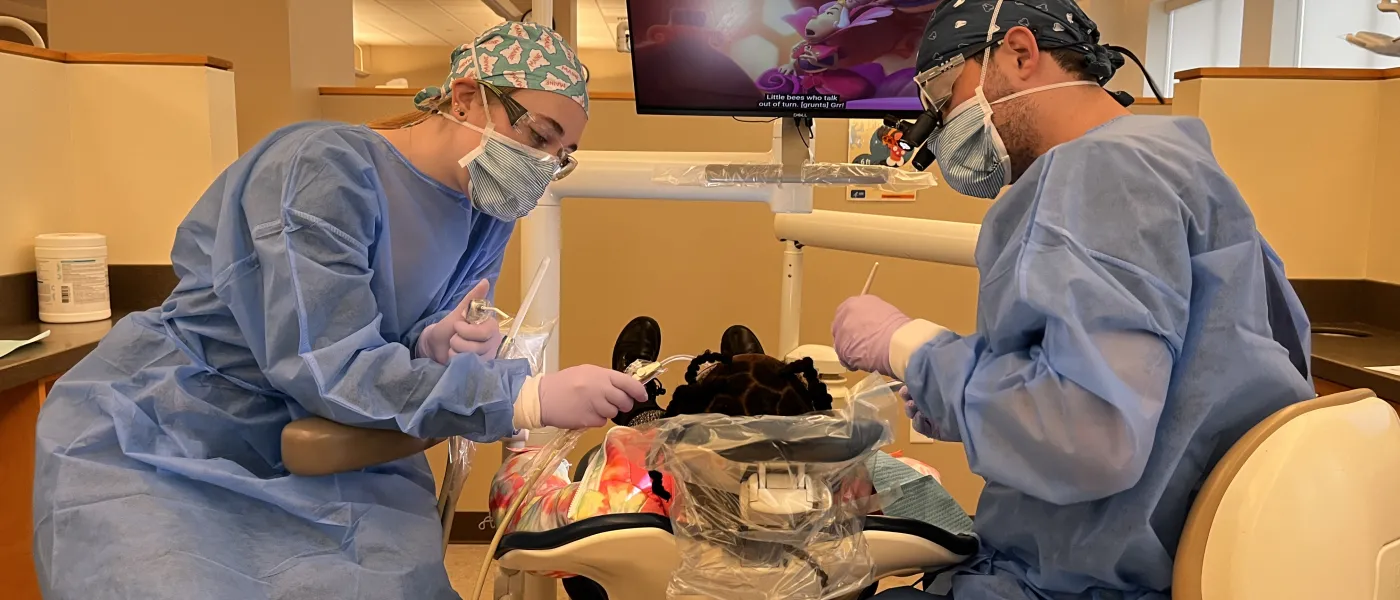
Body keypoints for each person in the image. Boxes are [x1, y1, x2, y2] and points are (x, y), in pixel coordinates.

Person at [32, 21, 645, 600]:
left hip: (338, 450)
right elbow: (326, 362)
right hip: (175, 432)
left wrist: (430, 345)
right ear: (464, 96)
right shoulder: (321, 169)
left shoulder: (484, 212)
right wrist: (523, 399)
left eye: (561, 154)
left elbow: (378, 345)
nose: (543, 166)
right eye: (539, 136)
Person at [831, 1, 1315, 599]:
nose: (939, 124)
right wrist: (968, 397)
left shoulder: (1100, 174)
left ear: (1020, 52)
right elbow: (1164, 389)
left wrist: (911, 348)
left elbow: (1090, 436)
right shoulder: (1172, 159)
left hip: (1072, 584)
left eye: (944, 92)